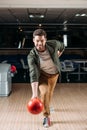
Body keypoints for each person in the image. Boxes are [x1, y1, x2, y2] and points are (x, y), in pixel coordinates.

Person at [27, 29, 65, 128]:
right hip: (42, 75)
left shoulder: (53, 44)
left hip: (54, 74)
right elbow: (33, 74)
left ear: (45, 39)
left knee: (50, 93)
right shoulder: (32, 56)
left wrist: (58, 54)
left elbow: (62, 45)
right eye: (37, 41)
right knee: (44, 93)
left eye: (42, 41)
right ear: (33, 40)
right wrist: (34, 95)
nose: (39, 43)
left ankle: (47, 105)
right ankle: (46, 117)